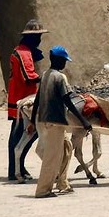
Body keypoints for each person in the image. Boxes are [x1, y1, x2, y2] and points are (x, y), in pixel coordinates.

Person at [27, 45, 92, 198]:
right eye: (64, 60)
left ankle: (62, 182)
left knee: (67, 148)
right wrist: (83, 121)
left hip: (45, 120)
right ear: (58, 60)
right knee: (52, 157)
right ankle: (43, 190)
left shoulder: (45, 75)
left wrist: (32, 121)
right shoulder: (59, 77)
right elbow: (67, 101)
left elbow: (37, 100)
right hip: (55, 122)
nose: (65, 63)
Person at [6, 19, 47, 181]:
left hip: (20, 96)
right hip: (22, 99)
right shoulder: (23, 54)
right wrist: (46, 79)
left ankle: (19, 166)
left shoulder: (23, 51)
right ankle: (14, 169)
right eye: (37, 36)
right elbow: (28, 77)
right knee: (24, 134)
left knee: (22, 135)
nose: (39, 39)